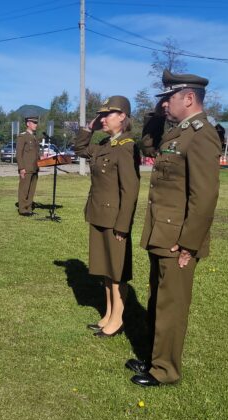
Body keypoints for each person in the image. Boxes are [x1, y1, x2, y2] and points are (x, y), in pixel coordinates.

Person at [127, 70, 221, 387]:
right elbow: (149, 146)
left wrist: (189, 244)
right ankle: (154, 359)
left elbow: (204, 196)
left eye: (170, 97)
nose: (165, 103)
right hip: (162, 232)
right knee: (158, 299)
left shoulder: (201, 134)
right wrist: (157, 112)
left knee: (172, 305)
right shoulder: (177, 133)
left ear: (189, 98)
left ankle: (165, 371)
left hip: (178, 238)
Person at [73, 96, 140, 337]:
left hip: (114, 220)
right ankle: (109, 313)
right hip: (98, 214)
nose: (103, 119)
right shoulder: (104, 144)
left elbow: (130, 190)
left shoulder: (127, 146)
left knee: (117, 271)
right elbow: (80, 149)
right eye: (101, 115)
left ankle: (118, 318)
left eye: (108, 114)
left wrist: (123, 225)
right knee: (105, 269)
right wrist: (88, 129)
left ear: (122, 116)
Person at [16, 116, 42, 216]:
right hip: (26, 168)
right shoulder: (23, 136)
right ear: (28, 124)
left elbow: (35, 153)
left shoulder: (34, 137)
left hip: (35, 168)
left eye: (36, 123)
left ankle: (29, 208)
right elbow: (19, 154)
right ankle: (22, 209)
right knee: (24, 189)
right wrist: (21, 168)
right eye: (34, 123)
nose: (36, 125)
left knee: (31, 189)